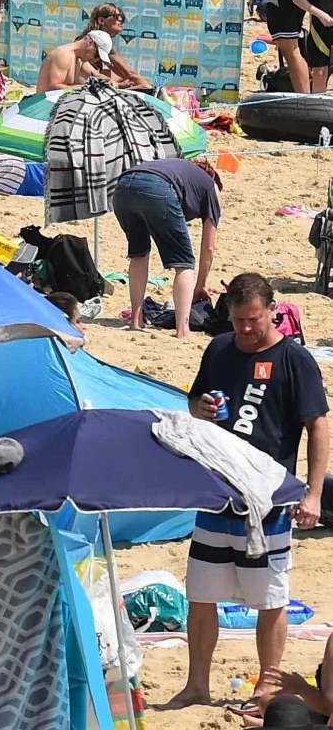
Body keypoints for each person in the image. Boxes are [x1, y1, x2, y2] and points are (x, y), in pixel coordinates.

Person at [173, 274, 329, 712]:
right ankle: (197, 686)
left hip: (269, 499)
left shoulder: (294, 359)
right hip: (217, 492)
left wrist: (313, 493)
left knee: (270, 598)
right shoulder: (220, 348)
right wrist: (199, 408)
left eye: (253, 321)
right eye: (238, 320)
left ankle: (268, 686)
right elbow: (194, 401)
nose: (244, 329)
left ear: (272, 311)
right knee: (200, 593)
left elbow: (318, 425)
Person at [113, 157, 221, 335]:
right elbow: (209, 247)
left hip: (123, 187)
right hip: (157, 187)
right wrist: (200, 285)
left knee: (139, 253)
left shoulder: (180, 171)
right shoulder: (210, 186)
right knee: (184, 263)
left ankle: (136, 321)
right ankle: (182, 329)